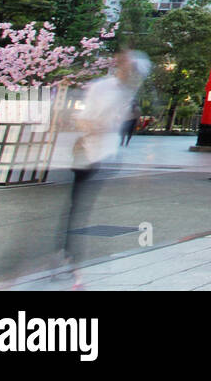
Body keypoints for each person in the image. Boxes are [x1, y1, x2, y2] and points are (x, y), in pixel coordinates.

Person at [67, 51, 149, 264]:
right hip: (88, 151)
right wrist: (96, 127)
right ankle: (68, 253)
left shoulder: (128, 94)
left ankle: (70, 254)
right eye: (128, 69)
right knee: (76, 205)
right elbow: (84, 119)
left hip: (106, 154)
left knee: (81, 205)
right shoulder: (103, 88)